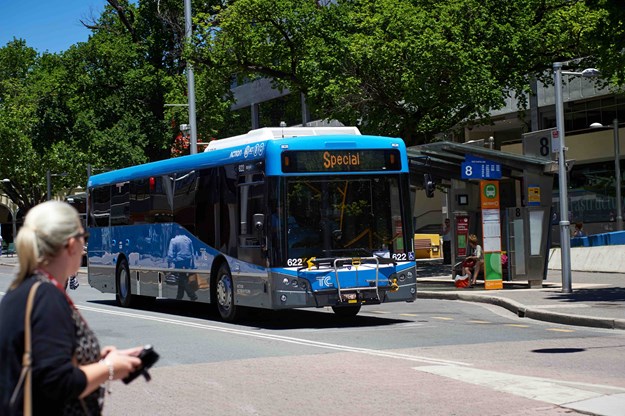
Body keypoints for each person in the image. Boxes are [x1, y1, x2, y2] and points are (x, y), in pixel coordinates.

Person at [0, 200, 143, 416]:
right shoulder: (46, 297)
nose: (84, 246)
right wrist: (109, 369)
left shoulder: (21, 290)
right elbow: (56, 382)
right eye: (82, 238)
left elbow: (44, 360)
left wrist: (95, 359)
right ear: (70, 244)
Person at [167, 233, 197, 301]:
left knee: (182, 278)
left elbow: (170, 254)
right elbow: (192, 252)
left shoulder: (173, 240)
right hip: (187, 260)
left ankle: (192, 295)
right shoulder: (188, 239)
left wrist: (169, 265)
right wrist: (192, 265)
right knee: (182, 278)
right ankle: (179, 297)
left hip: (179, 261)